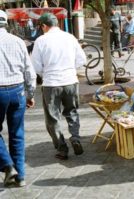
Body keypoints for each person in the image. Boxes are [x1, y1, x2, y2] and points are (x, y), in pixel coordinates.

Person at [31, 13, 87, 160]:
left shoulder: (41, 40)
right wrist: (69, 68)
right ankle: (75, 137)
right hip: (70, 81)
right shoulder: (70, 37)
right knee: (72, 112)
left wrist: (46, 73)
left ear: (44, 26)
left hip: (51, 83)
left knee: (52, 118)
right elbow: (82, 59)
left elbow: (36, 66)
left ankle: (62, 148)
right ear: (57, 23)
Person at [0, 10, 36, 187]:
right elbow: (29, 70)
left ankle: (8, 166)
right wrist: (30, 94)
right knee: (17, 134)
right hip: (17, 91)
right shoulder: (18, 42)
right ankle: (20, 176)